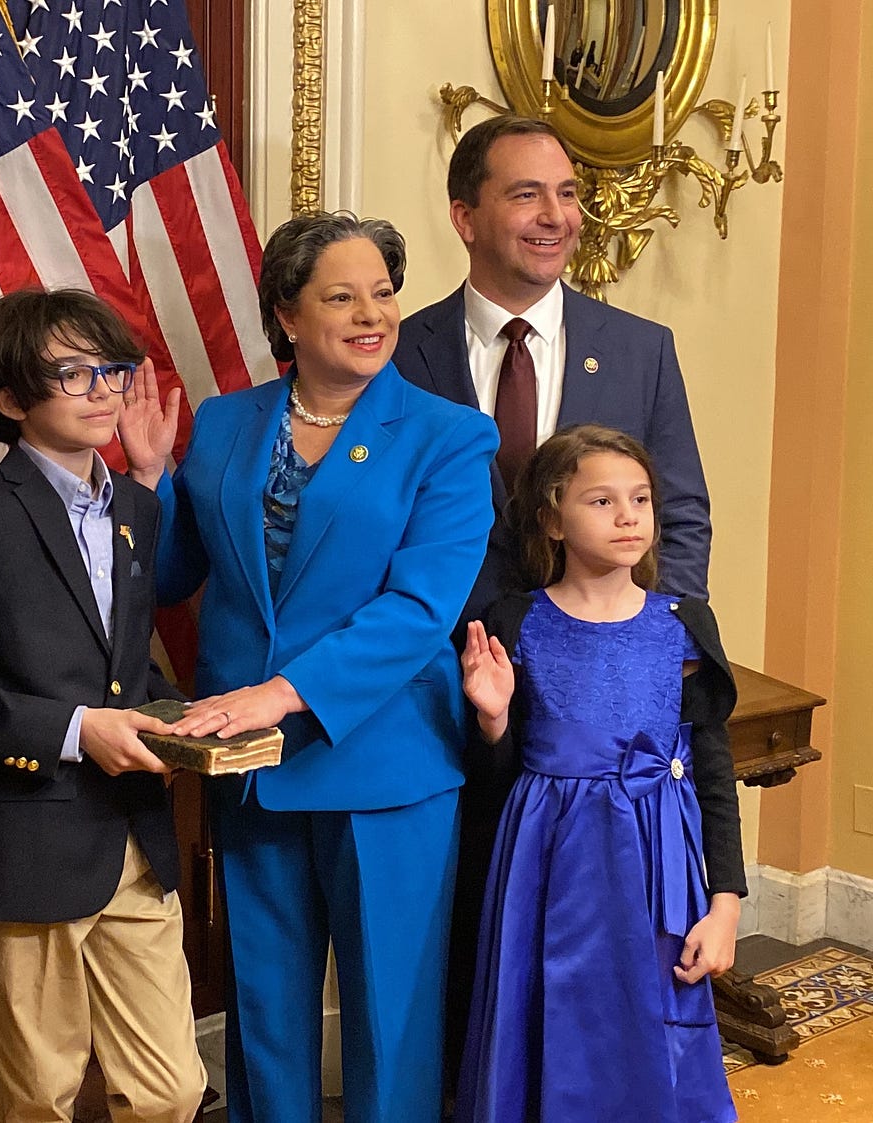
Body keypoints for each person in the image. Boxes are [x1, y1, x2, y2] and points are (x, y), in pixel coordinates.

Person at [120, 212, 499, 1123]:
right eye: (341, 295)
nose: (372, 313)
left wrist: (281, 693)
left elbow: (418, 611)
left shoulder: (450, 437)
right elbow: (171, 579)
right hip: (250, 770)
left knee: (391, 1017)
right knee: (267, 1018)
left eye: (382, 292)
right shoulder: (222, 423)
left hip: (386, 761)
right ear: (286, 316)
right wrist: (147, 482)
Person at [392, 116, 715, 1092]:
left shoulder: (640, 345)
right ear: (465, 214)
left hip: (609, 713)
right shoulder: (402, 353)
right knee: (466, 947)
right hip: (454, 700)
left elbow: (683, 512)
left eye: (567, 193)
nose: (556, 215)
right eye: (527, 193)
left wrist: (656, 644)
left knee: (614, 958)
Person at [0, 288, 207, 1123]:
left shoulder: (138, 504)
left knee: (172, 1090)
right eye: (74, 373)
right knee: (39, 1097)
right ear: (10, 398)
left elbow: (123, 671)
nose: (104, 389)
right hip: (26, 842)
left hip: (135, 835)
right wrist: (71, 732)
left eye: (113, 369)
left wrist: (193, 718)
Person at [455, 425, 743, 1123]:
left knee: (655, 1009)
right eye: (602, 500)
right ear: (551, 519)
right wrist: (492, 719)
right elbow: (492, 775)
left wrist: (726, 904)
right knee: (550, 1009)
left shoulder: (683, 625)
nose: (627, 516)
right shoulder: (515, 621)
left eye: (640, 499)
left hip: (658, 860)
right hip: (548, 861)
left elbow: (712, 769)